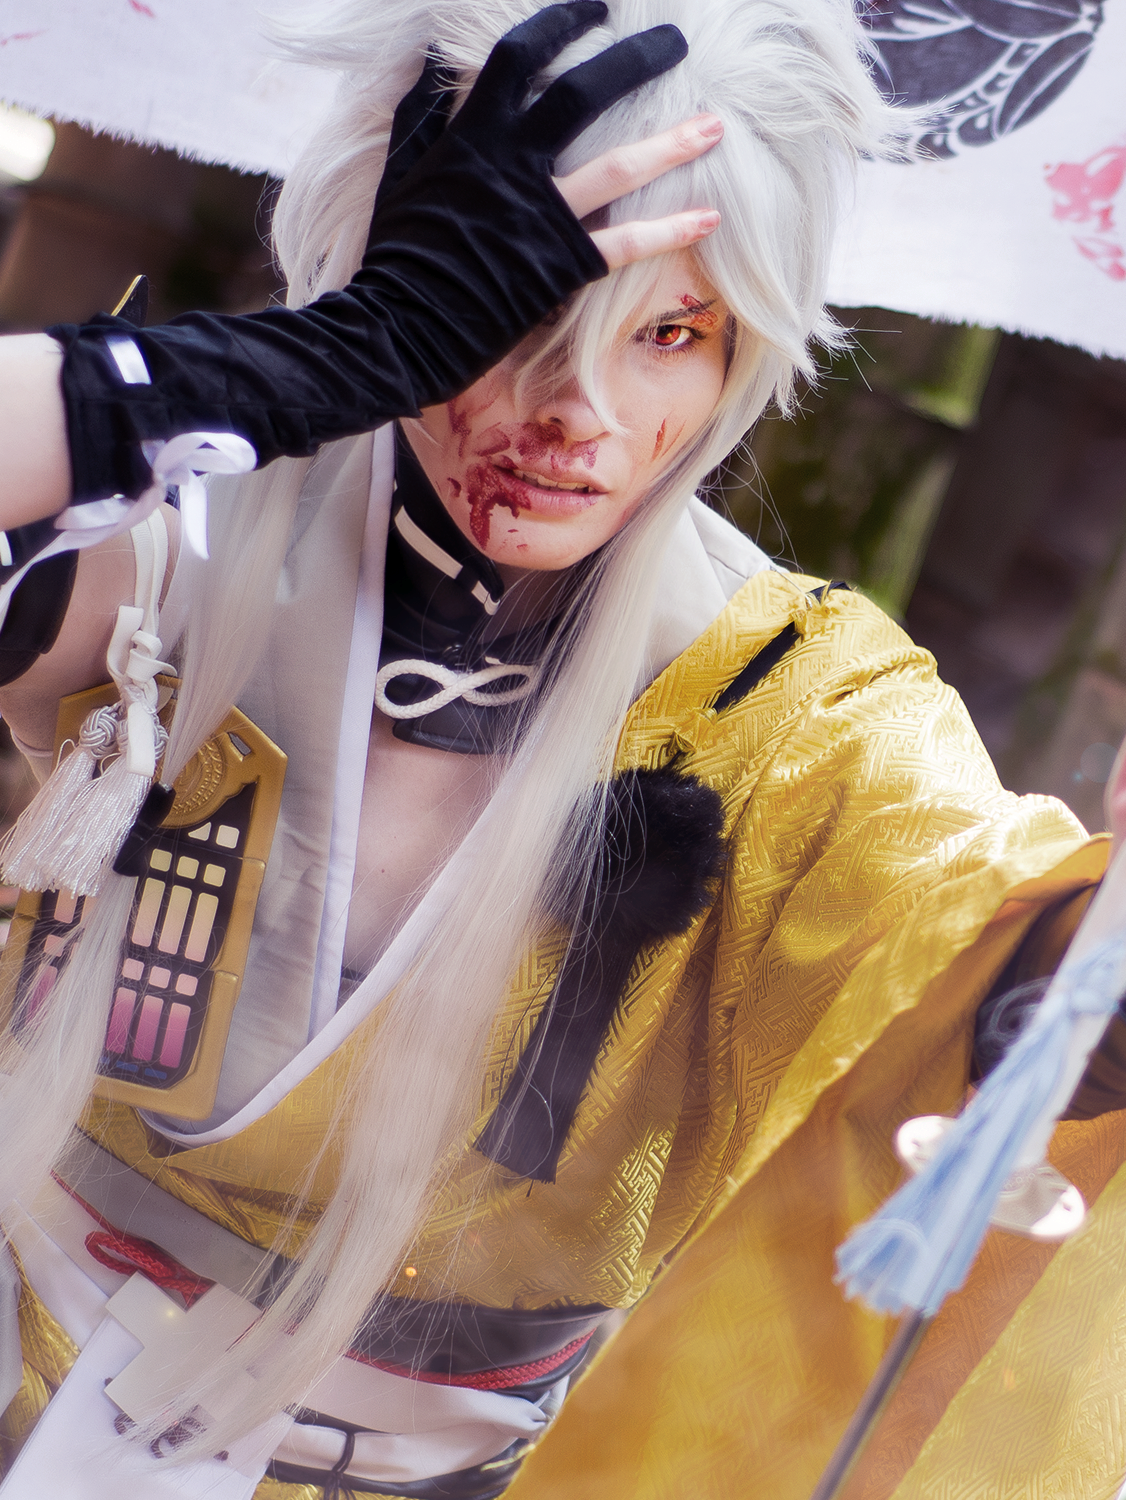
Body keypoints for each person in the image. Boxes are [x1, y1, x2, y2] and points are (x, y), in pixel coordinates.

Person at [0, 2, 1120, 1498]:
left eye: (667, 334)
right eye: (519, 308)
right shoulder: (179, 539)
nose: (573, 413)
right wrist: (330, 356)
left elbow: (1015, 1014)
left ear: (743, 349)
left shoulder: (798, 705)